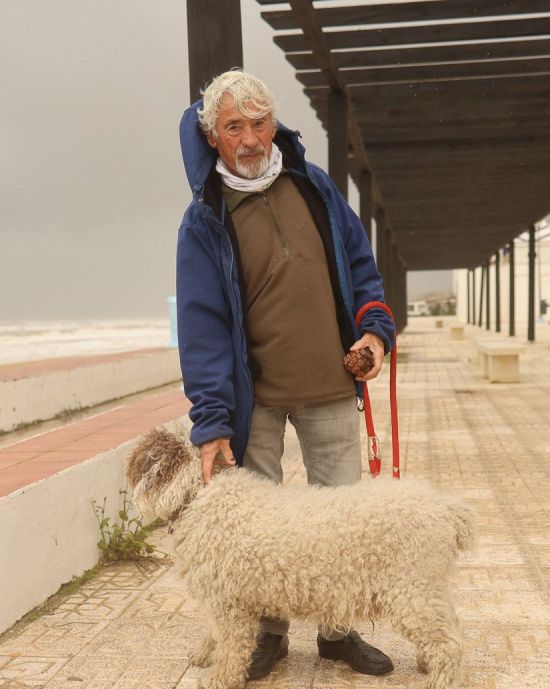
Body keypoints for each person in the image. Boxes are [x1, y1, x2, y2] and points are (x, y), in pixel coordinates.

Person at [175, 69, 396, 681]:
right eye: (233, 126)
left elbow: (361, 269)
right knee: (260, 536)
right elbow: (201, 330)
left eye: (260, 121)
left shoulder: (316, 187)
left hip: (330, 386)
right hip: (257, 404)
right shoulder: (203, 221)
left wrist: (375, 334)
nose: (250, 138)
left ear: (277, 123)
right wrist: (212, 423)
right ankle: (268, 634)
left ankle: (338, 632)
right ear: (213, 139)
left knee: (345, 518)